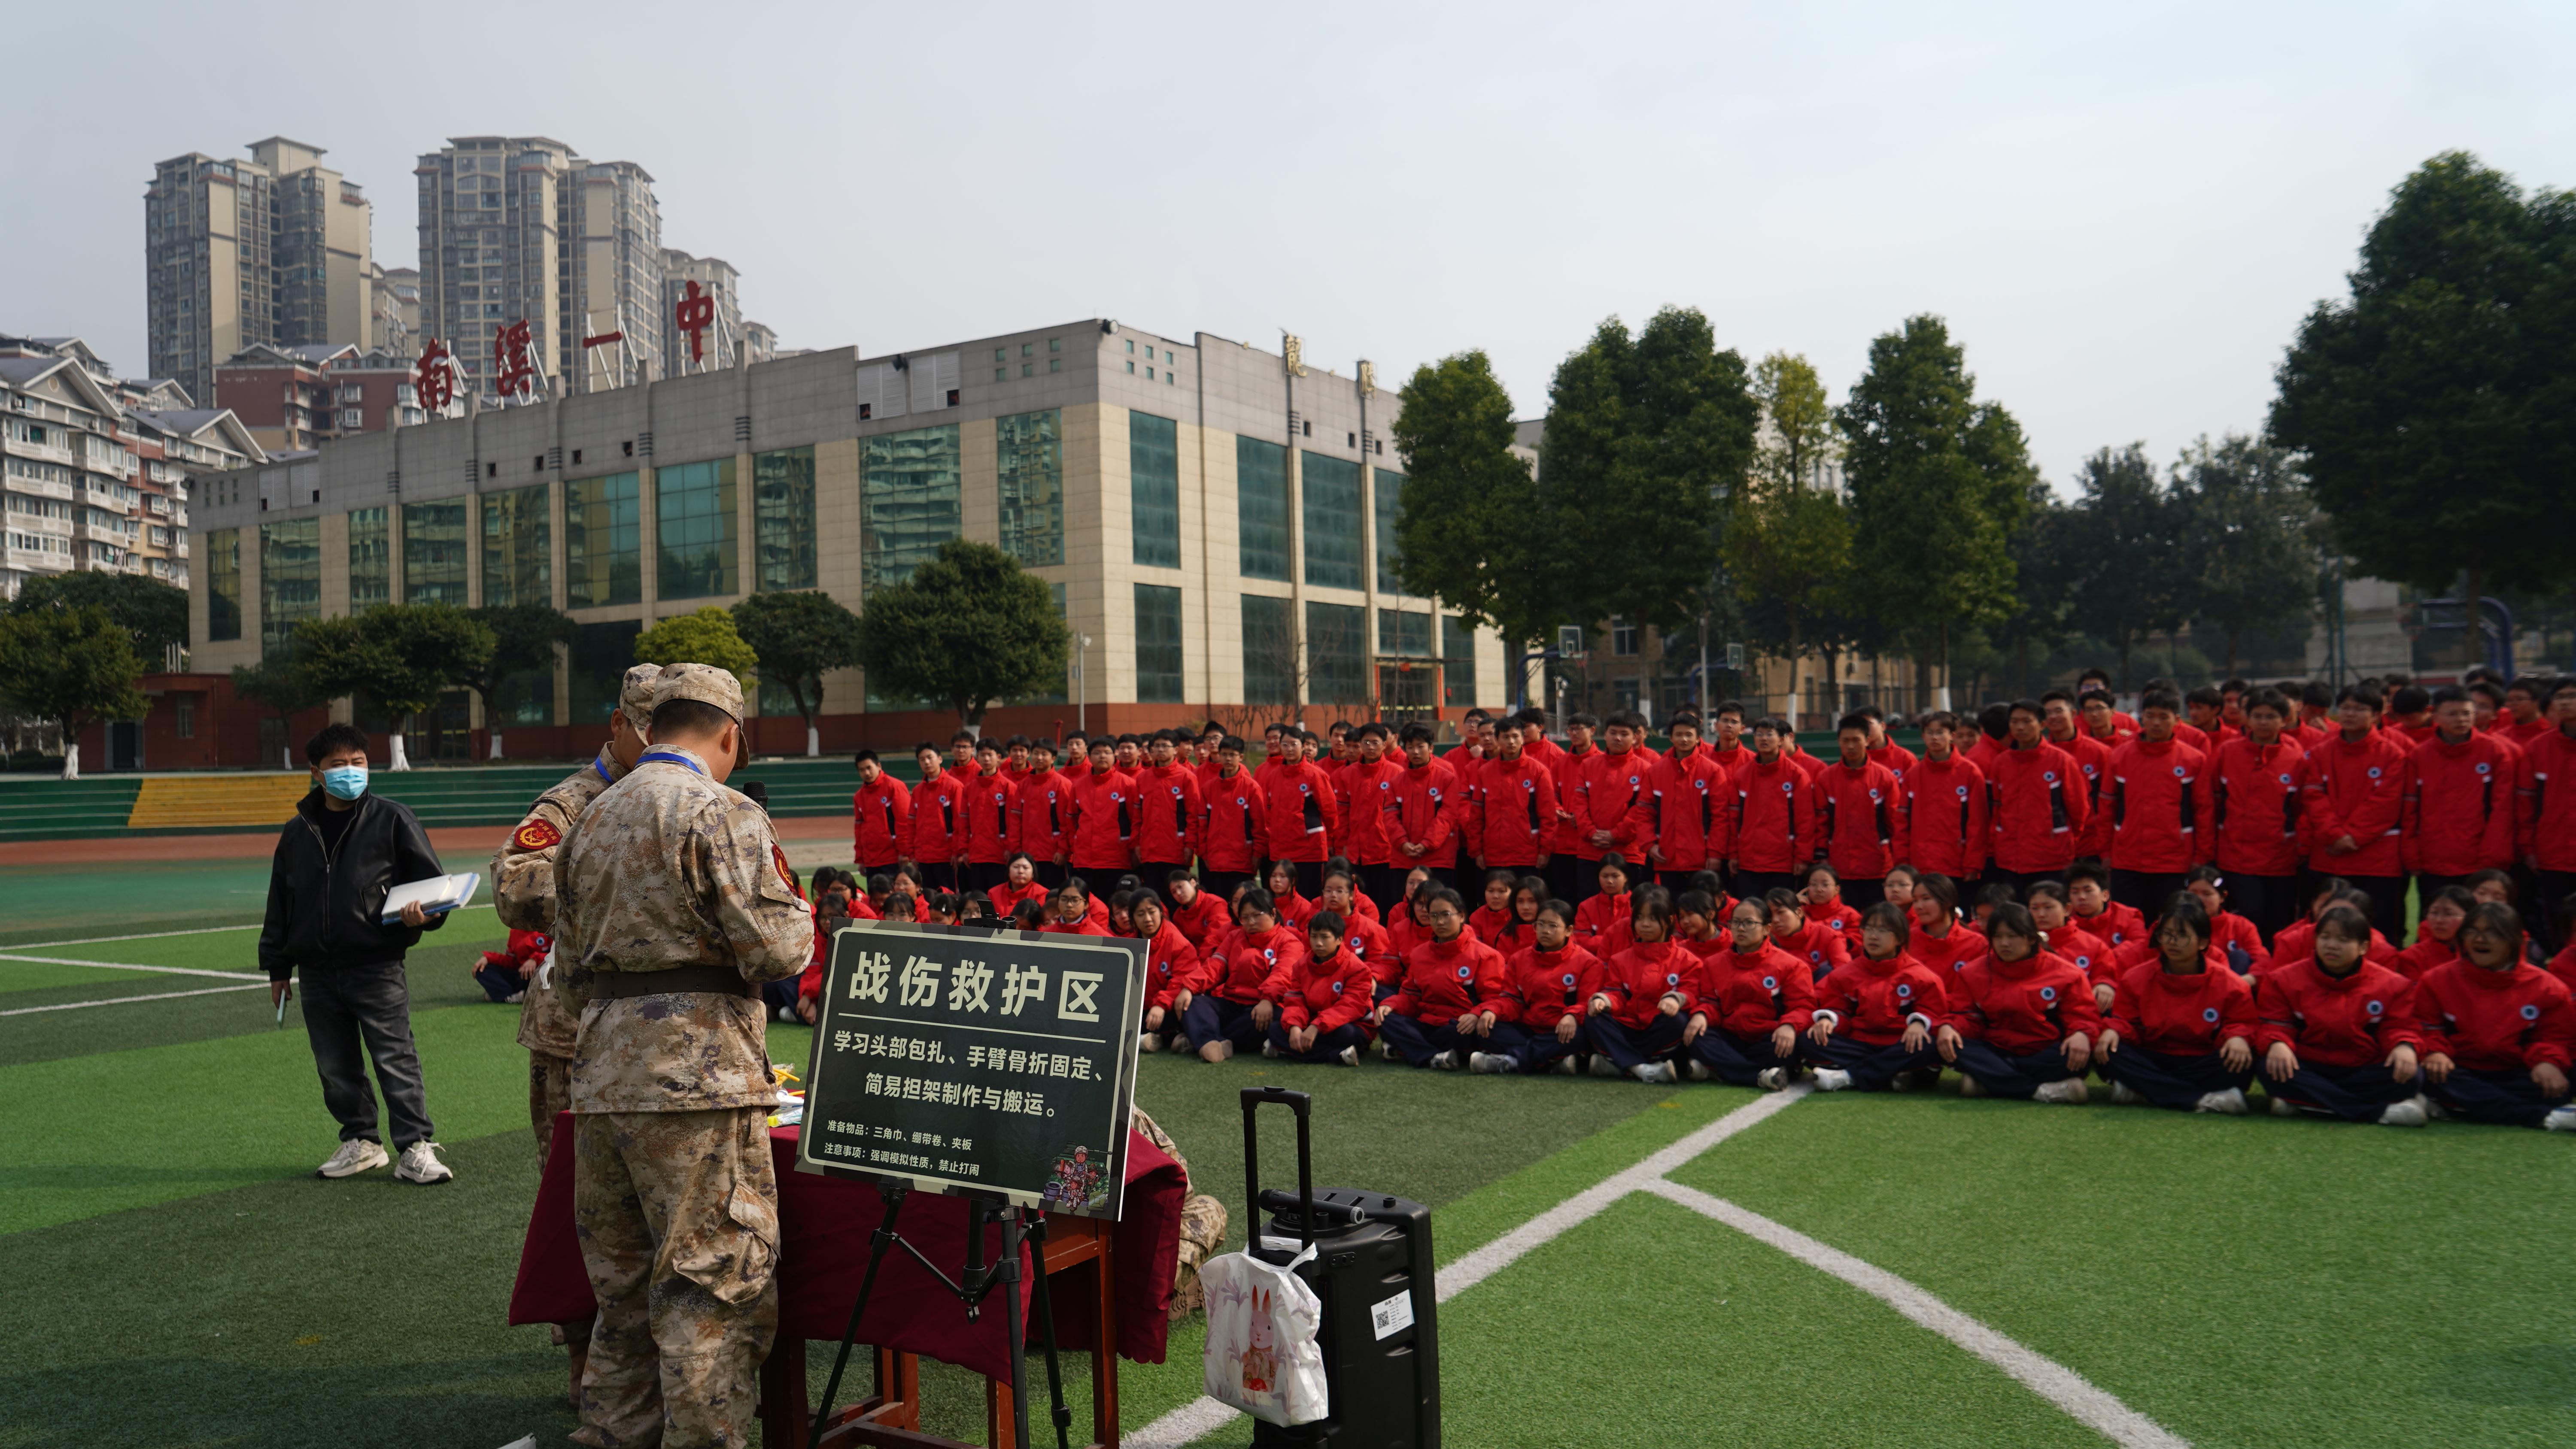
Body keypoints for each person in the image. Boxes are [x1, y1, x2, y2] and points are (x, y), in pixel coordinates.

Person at [552, 664, 814, 1449]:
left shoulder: (591, 818)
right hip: (699, 1081)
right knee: (709, 1296)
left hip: (603, 1075)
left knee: (623, 1300)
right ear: (730, 734)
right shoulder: (721, 810)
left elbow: (568, 973)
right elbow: (779, 951)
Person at [261, 721, 453, 1186]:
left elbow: (436, 888)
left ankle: (415, 1147)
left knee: (395, 1058)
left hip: (377, 965)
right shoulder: (297, 832)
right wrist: (277, 966)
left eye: (359, 762)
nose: (351, 771)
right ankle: (362, 1141)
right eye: (339, 764)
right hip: (317, 972)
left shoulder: (393, 819)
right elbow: (281, 903)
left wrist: (423, 916)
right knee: (335, 1066)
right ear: (316, 772)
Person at [2254, 905, 2427, 1125]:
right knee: (2267, 1067)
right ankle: (2377, 1113)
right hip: (2307, 1064)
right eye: (2325, 937)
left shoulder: (2393, 985)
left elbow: (2400, 1027)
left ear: (2363, 947)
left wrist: (2404, 1046)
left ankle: (2308, 1102)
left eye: (2343, 940)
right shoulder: (2282, 980)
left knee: (2412, 1075)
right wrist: (2277, 1042)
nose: (2332, 946)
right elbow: (2274, 1024)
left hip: (2363, 1068)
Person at [2416, 901, 2576, 1129]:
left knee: (2560, 1082)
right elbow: (2426, 1027)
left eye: (2493, 933)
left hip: (2517, 1071)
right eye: (2472, 931)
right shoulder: (2436, 980)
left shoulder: (2548, 987)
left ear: (2514, 940)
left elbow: (2556, 1037)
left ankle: (2458, 1105)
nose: (2480, 939)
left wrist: (2548, 1061)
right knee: (2422, 1074)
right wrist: (2435, 1052)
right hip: (2457, 1069)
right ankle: (2542, 1117)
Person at [2097, 894, 2259, 1114]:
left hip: (2202, 1058)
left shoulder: (2231, 983)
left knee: (2243, 1058)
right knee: (2109, 1052)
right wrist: (2114, 1030)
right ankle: (2201, 1099)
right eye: (2167, 935)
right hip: (2155, 1055)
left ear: (2203, 943)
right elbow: (2126, 1021)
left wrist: (2237, 1037)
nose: (2172, 942)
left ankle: (2147, 1090)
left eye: (2183, 936)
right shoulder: (2135, 978)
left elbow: (2242, 1022)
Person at [1935, 903, 2097, 1103]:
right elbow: (1966, 1016)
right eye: (1998, 937)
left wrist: (2081, 1034)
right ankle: (2041, 1091)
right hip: (1996, 1048)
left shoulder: (2067, 974)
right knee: (1951, 1044)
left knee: (2077, 1053)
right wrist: (1951, 1027)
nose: (2004, 944)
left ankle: (1990, 1081)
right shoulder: (1972, 973)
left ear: (2031, 938)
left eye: (2012, 937)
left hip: (2044, 1050)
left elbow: (2083, 1016)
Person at [2301, 684, 2411, 941]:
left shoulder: (2393, 754)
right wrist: (2335, 835)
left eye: (2359, 709)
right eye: (2346, 708)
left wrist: (2350, 837)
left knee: (2380, 929)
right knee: (2326, 926)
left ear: (2376, 715)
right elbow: (2313, 796)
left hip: (2376, 859)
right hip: (2329, 855)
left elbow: (2385, 803)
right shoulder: (2321, 752)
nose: (2350, 714)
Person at [1806, 900, 1949, 1092]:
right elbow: (1839, 1010)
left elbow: (1936, 1014)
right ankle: (1891, 1073)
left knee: (1930, 1046)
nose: (1873, 936)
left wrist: (1919, 1023)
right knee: (1808, 1040)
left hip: (1901, 1044)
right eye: (1869, 929)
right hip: (1859, 1043)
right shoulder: (1844, 975)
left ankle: (1848, 1076)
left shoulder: (1922, 977)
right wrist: (1829, 1020)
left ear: (1900, 938)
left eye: (1882, 930)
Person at [2402, 685, 2519, 908]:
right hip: (2433, 860)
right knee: (2437, 919)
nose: (2461, 720)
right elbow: (2410, 809)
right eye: (2452, 714)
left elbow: (2502, 810)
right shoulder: (2419, 756)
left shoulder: (2495, 752)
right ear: (2434, 716)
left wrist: (2492, 858)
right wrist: (2412, 855)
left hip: (2479, 861)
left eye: (2466, 713)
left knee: (2479, 920)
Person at [1682, 896, 1815, 1089]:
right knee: (1697, 1036)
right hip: (1731, 1036)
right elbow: (1710, 1002)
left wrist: (1789, 1026)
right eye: (1736, 922)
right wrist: (1702, 1014)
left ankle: (1719, 1069)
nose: (1741, 928)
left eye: (1749, 923)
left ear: (1767, 929)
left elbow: (1803, 1006)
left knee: (1792, 1044)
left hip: (1769, 1037)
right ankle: (1759, 1076)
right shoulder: (1713, 964)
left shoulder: (1792, 966)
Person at [2099, 687, 2213, 910]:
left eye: (2164, 717)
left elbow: (2204, 811)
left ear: (2177, 720)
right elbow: (2106, 807)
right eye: (2150, 716)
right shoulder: (2120, 756)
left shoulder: (2194, 760)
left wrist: (2202, 856)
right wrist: (2105, 852)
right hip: (2127, 858)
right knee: (2127, 922)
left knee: (2168, 921)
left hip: (2175, 861)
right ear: (2142, 718)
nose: (2156, 723)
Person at [2209, 686, 2307, 943]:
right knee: (2247, 919)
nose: (2264, 722)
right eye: (2258, 716)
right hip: (2236, 857)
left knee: (2280, 924)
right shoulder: (2227, 753)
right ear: (2247, 718)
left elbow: (2301, 808)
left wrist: (2300, 845)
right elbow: (2213, 802)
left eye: (2271, 716)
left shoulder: (2296, 759)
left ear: (2285, 720)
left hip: (2281, 858)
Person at [1373, 885, 1507, 1069]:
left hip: (1460, 1024)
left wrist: (1476, 1014)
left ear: (1462, 916)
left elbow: (1494, 999)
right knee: (1386, 1019)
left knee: (1470, 1032)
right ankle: (1434, 1057)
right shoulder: (1419, 954)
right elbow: (1410, 996)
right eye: (1434, 916)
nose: (1440, 922)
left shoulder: (1485, 956)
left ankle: (1411, 1048)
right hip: (1426, 1022)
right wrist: (1391, 1005)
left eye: (1446, 915)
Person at [1471, 899, 1604, 1075]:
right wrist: (1492, 1010)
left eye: (1553, 926)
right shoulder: (1519, 959)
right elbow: (1511, 1000)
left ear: (1569, 930)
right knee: (1487, 1028)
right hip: (1529, 1028)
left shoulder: (1589, 963)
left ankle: (1512, 1061)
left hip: (1562, 1029)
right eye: (1540, 924)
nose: (1545, 931)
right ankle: (1551, 1062)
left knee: (1579, 1037)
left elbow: (1587, 1003)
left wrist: (1572, 1015)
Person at [1585, 888, 1694, 1084]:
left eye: (1652, 919)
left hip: (1658, 1029)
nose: (1644, 924)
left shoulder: (1687, 960)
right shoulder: (1620, 960)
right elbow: (1616, 992)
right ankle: (1642, 1068)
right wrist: (1605, 1000)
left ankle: (1620, 1064)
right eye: (1639, 918)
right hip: (1628, 1026)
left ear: (1669, 921)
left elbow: (1692, 991)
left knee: (1679, 1021)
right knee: (1595, 1018)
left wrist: (1676, 999)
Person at [1983, 699, 2091, 896]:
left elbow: (2078, 809)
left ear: (2042, 725)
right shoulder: (2001, 763)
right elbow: (1996, 807)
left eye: (2027, 721)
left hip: (2052, 857)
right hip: (2011, 857)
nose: (2020, 727)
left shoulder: (2061, 761)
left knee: (2050, 909)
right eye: (2015, 722)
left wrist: (2063, 839)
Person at [1179, 888, 1300, 1062]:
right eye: (1245, 917)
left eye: (1257, 915)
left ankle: (1201, 1040)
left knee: (1275, 1017)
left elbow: (1283, 975)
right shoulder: (1234, 937)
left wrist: (1267, 1000)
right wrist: (1189, 987)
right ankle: (1211, 1042)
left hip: (1264, 1005)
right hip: (1232, 1002)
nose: (1251, 922)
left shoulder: (1289, 941)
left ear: (1273, 913)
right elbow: (1215, 966)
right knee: (1194, 1003)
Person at [1636, 711, 1731, 893]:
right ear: (1671, 738)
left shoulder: (1713, 772)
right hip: (1666, 857)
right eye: (1679, 735)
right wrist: (1649, 845)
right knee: (1670, 908)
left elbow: (1720, 817)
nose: (1684, 739)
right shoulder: (1655, 772)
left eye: (1689, 735)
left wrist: (1715, 854)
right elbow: (1644, 812)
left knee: (1701, 908)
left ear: (1698, 739)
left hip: (1702, 860)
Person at [1816, 712, 1902, 909]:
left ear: (1868, 740)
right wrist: (1822, 856)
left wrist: (1898, 859)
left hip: (1878, 867)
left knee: (1878, 920)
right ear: (1838, 742)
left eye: (1856, 740)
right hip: (1840, 867)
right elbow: (1821, 822)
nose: (1851, 746)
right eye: (1846, 741)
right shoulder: (1826, 778)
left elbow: (1895, 822)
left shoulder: (1885, 778)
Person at [1266, 911, 1375, 1065]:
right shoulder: (1301, 966)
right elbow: (1296, 1001)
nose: (1318, 943)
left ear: (1339, 939)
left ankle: (1288, 1050)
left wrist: (1317, 1026)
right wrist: (1295, 1027)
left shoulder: (1357, 968)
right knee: (1276, 1029)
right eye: (1314, 937)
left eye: (1325, 937)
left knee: (1347, 1034)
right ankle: (1337, 1055)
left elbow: (1351, 1007)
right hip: (1313, 1023)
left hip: (1350, 1025)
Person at [1896, 711, 1987, 887]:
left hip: (1957, 864)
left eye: (1940, 732)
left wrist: (1973, 863)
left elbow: (1977, 823)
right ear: (1923, 736)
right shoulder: (1913, 775)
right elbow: (1902, 822)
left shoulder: (1970, 773)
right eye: (1930, 733)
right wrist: (1902, 860)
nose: (1935, 738)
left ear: (1952, 736)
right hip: (1920, 863)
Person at [1730, 717, 1814, 899]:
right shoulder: (1742, 775)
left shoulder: (1797, 775)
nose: (1764, 739)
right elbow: (1734, 819)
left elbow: (1805, 820)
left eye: (1770, 734)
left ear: (1781, 740)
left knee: (1781, 912)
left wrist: (1802, 857)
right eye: (1759, 734)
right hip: (1749, 862)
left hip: (1784, 863)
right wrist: (1733, 854)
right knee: (1751, 910)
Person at [1259, 729, 1340, 897]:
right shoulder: (1273, 777)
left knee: (1310, 899)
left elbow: (1330, 812)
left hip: (1310, 851)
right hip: (1281, 849)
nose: (1289, 749)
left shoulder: (1315, 775)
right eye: (1285, 745)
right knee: (1282, 899)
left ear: (1303, 746)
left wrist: (1329, 839)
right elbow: (1268, 811)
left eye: (1294, 744)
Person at [1385, 723, 1464, 893]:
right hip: (1403, 857)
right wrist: (1402, 843)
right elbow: (1390, 816)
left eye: (1420, 746)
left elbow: (1448, 815)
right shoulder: (1396, 782)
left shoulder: (1447, 779)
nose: (1415, 752)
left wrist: (1427, 844)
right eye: (1410, 747)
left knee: (1438, 902)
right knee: (1403, 904)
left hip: (1438, 857)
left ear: (1431, 748)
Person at [1133, 891, 1203, 1052]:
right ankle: (1160, 1038)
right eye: (1140, 914)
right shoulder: (1131, 944)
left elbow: (1181, 980)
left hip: (1168, 1007)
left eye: (1152, 912)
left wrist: (1161, 1005)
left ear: (1161, 912)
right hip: (1145, 1008)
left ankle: (1167, 1036)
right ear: (1133, 918)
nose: (1148, 919)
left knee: (1189, 1007)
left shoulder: (1178, 943)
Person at [1134, 730, 1204, 886]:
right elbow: (1137, 815)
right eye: (1157, 746)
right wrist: (1137, 844)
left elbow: (1193, 815)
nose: (1160, 750)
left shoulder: (1187, 777)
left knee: (1176, 894)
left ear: (1175, 750)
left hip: (1177, 850)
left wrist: (1190, 845)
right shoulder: (1143, 778)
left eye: (1165, 746)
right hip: (1149, 850)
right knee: (1152, 895)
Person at [2181, 866, 2270, 976]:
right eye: (2193, 894)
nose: (2199, 899)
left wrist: (2242, 982)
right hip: (2187, 981)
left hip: (2231, 983)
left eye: (2207, 894)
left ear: (2223, 897)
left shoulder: (2242, 926)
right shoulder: (2174, 923)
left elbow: (2262, 961)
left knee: (2240, 957)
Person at [959, 740, 1018, 895]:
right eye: (982, 755)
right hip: (976, 854)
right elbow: (964, 821)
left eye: (990, 755)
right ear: (977, 757)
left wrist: (1010, 848)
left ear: (998, 757)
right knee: (979, 899)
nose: (986, 759)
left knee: (999, 897)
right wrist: (964, 850)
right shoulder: (970, 788)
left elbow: (1013, 823)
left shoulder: (1009, 787)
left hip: (1000, 854)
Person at [907, 741, 965, 891]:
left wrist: (957, 851)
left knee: (948, 898)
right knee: (928, 898)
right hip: (924, 857)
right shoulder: (918, 791)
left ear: (940, 759)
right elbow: (911, 825)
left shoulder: (954, 786)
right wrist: (912, 854)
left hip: (947, 857)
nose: (926, 762)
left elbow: (960, 822)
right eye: (922, 759)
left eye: (929, 758)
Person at [1905, 873, 1987, 977]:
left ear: (1948, 901)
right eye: (1915, 901)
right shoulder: (1907, 940)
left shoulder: (1976, 944)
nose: (1918, 906)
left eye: (1926, 899)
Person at [1766, 885, 1851, 982]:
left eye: (1781, 912)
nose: (1775, 920)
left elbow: (1844, 972)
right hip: (1788, 990)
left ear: (1799, 912)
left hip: (1825, 989)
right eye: (1770, 916)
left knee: (1826, 971)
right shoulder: (1767, 946)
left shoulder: (1828, 935)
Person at [850, 747, 911, 877]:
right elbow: (859, 830)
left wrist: (904, 852)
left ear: (879, 766)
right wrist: (861, 859)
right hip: (871, 860)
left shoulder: (895, 787)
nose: (867, 773)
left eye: (869, 768)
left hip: (893, 858)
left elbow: (904, 822)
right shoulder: (859, 796)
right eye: (862, 770)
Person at [2393, 885, 2473, 981]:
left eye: (2449, 914)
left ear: (2470, 917)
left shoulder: (2479, 953)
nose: (2439, 920)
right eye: (2434, 913)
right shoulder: (2412, 956)